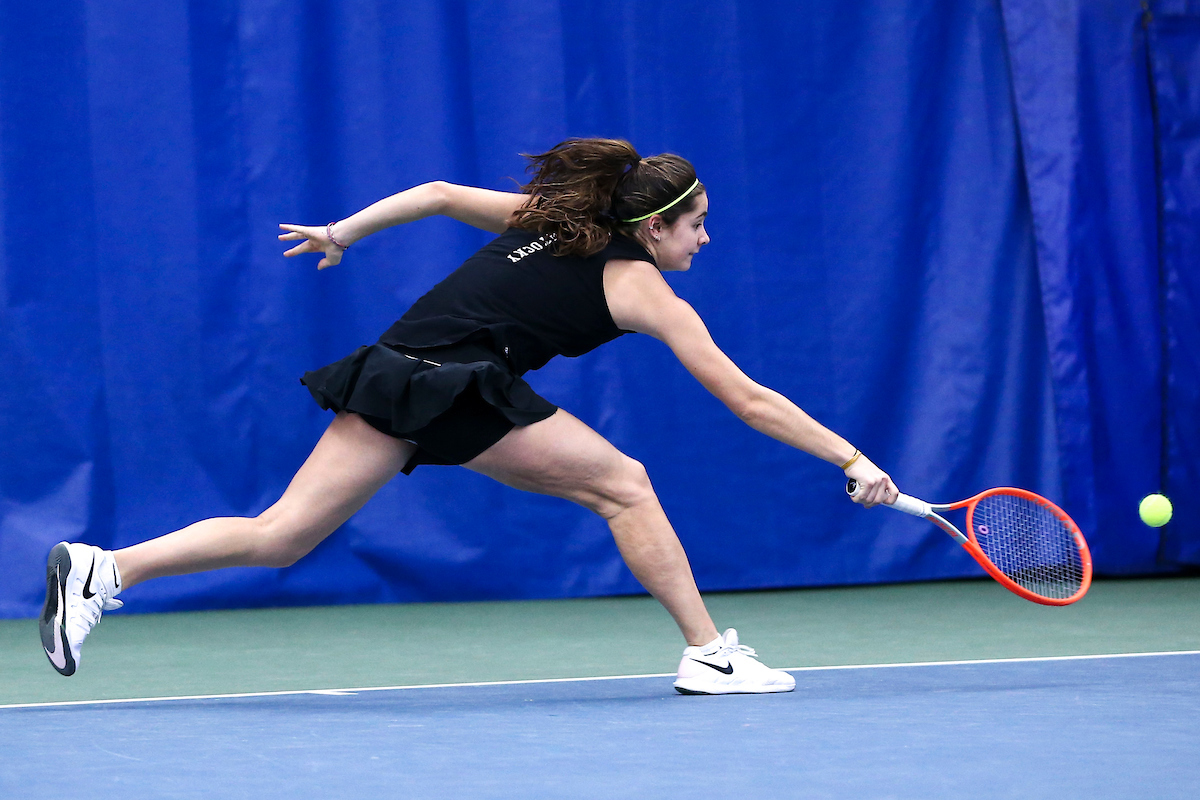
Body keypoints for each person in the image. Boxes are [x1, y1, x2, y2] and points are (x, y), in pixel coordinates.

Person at [39, 138, 898, 694]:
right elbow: (745, 397)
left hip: (394, 367)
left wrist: (346, 231)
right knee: (626, 488)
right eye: (697, 227)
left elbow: (443, 192)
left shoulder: (553, 222)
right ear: (655, 228)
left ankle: (105, 570)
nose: (705, 241)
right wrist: (850, 457)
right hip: (452, 380)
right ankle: (709, 653)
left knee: (282, 536)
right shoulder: (639, 285)